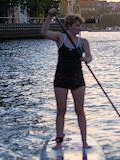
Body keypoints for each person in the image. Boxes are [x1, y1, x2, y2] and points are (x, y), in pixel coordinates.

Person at [41, 8, 92, 150]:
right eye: (77, 25)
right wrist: (49, 16)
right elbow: (44, 32)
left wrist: (86, 59)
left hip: (77, 79)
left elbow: (89, 56)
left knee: (79, 111)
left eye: (80, 25)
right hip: (61, 78)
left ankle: (84, 142)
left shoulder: (83, 42)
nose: (79, 28)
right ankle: (59, 142)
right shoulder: (60, 37)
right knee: (61, 110)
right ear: (69, 26)